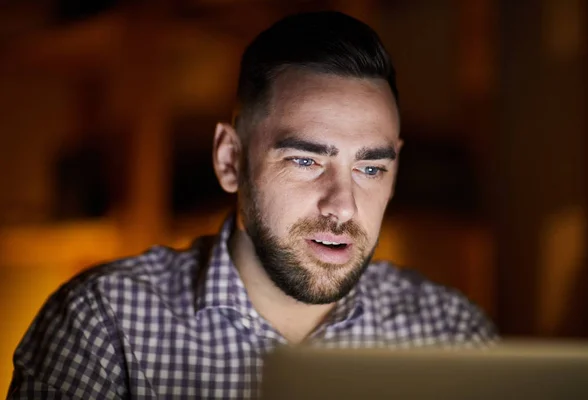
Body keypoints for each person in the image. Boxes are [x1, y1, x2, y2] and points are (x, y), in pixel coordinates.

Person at [8, 11, 497, 399]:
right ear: (230, 160)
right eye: (306, 160)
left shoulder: (450, 332)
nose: (343, 206)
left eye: (371, 169)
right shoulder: (103, 324)